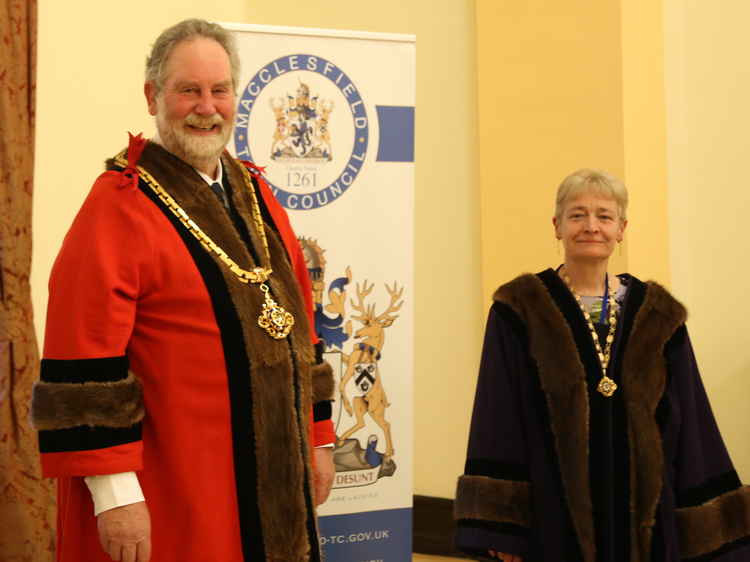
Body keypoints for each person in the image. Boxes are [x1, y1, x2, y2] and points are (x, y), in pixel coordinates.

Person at [31, 19, 336, 562]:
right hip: (172, 489)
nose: (207, 106)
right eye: (188, 90)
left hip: (273, 479)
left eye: (219, 90)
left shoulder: (256, 194)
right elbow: (83, 364)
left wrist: (317, 438)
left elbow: (298, 325)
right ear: (153, 96)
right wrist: (115, 495)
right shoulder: (117, 205)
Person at [454, 169, 750, 561]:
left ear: (621, 228)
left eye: (604, 216)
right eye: (577, 215)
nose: (591, 226)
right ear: (557, 226)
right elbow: (498, 417)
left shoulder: (659, 316)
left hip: (647, 514)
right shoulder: (519, 310)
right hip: (552, 507)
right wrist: (505, 530)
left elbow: (691, 419)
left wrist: (703, 528)